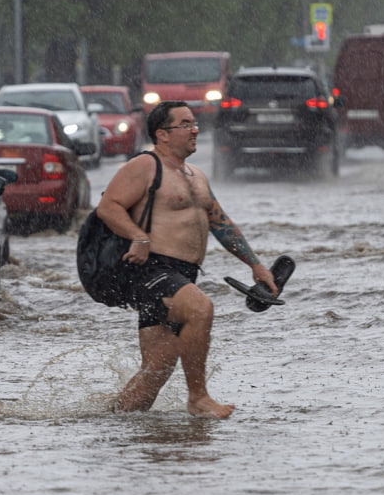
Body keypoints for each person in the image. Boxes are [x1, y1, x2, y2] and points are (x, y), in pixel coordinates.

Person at [95, 100, 277, 418]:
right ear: (162, 134)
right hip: (151, 270)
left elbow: (221, 224)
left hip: (182, 273)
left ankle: (114, 421)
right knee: (201, 308)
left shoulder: (196, 175)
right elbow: (108, 207)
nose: (195, 130)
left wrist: (255, 265)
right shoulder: (145, 166)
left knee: (157, 369)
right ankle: (199, 398)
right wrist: (138, 236)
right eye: (186, 124)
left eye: (195, 123)